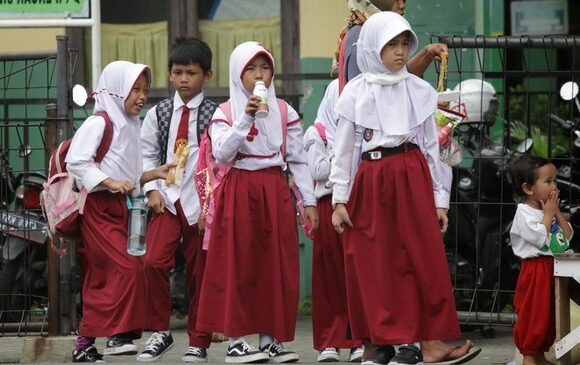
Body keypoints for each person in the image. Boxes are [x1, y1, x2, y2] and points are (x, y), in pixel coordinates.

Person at [336, 2, 480, 364]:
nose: (401, 52)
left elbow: (432, 149)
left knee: (422, 257)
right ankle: (375, 344)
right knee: (372, 259)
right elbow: (344, 150)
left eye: (405, 44)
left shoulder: (418, 90)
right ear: (372, 47)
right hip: (371, 178)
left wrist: (440, 200)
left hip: (412, 174)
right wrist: (340, 199)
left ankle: (427, 343)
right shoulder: (354, 92)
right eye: (392, 45)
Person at [196, 41, 319, 364]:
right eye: (250, 68)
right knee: (240, 262)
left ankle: (269, 338)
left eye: (264, 67)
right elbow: (222, 153)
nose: (258, 75)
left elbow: (297, 159)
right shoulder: (224, 113)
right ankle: (236, 340)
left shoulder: (284, 111)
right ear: (238, 74)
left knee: (275, 262)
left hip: (275, 187)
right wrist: (245, 118)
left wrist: (307, 200)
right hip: (240, 188)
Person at [66, 60, 171, 362]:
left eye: (145, 90)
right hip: (99, 210)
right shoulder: (99, 122)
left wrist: (155, 174)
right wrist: (109, 182)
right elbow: (77, 161)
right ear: (117, 90)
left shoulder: (129, 125)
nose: (142, 96)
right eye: (134, 89)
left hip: (120, 209)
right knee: (126, 268)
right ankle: (117, 336)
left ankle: (84, 344)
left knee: (106, 275)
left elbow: (130, 175)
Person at [138, 37, 215, 362]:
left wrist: (211, 205)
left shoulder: (215, 113)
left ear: (207, 76)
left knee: (201, 272)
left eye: (192, 73)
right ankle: (160, 331)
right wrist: (151, 189)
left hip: (199, 203)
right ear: (169, 74)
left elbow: (219, 162)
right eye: (178, 72)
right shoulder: (159, 113)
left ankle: (199, 340)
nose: (184, 79)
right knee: (153, 261)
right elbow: (146, 153)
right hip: (167, 199)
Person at [302, 79, 364, 363]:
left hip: (357, 206)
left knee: (356, 276)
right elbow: (319, 170)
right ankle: (329, 341)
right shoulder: (316, 132)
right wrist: (345, 153)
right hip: (329, 206)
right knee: (329, 277)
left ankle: (357, 339)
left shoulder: (363, 131)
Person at [509, 155, 573, 365]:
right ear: (528, 189)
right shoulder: (524, 213)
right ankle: (529, 356)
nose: (554, 186)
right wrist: (548, 215)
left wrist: (557, 213)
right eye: (548, 181)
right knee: (534, 315)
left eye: (555, 180)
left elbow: (567, 236)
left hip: (551, 268)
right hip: (535, 270)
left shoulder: (547, 210)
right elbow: (538, 238)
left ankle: (540, 356)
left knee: (548, 316)